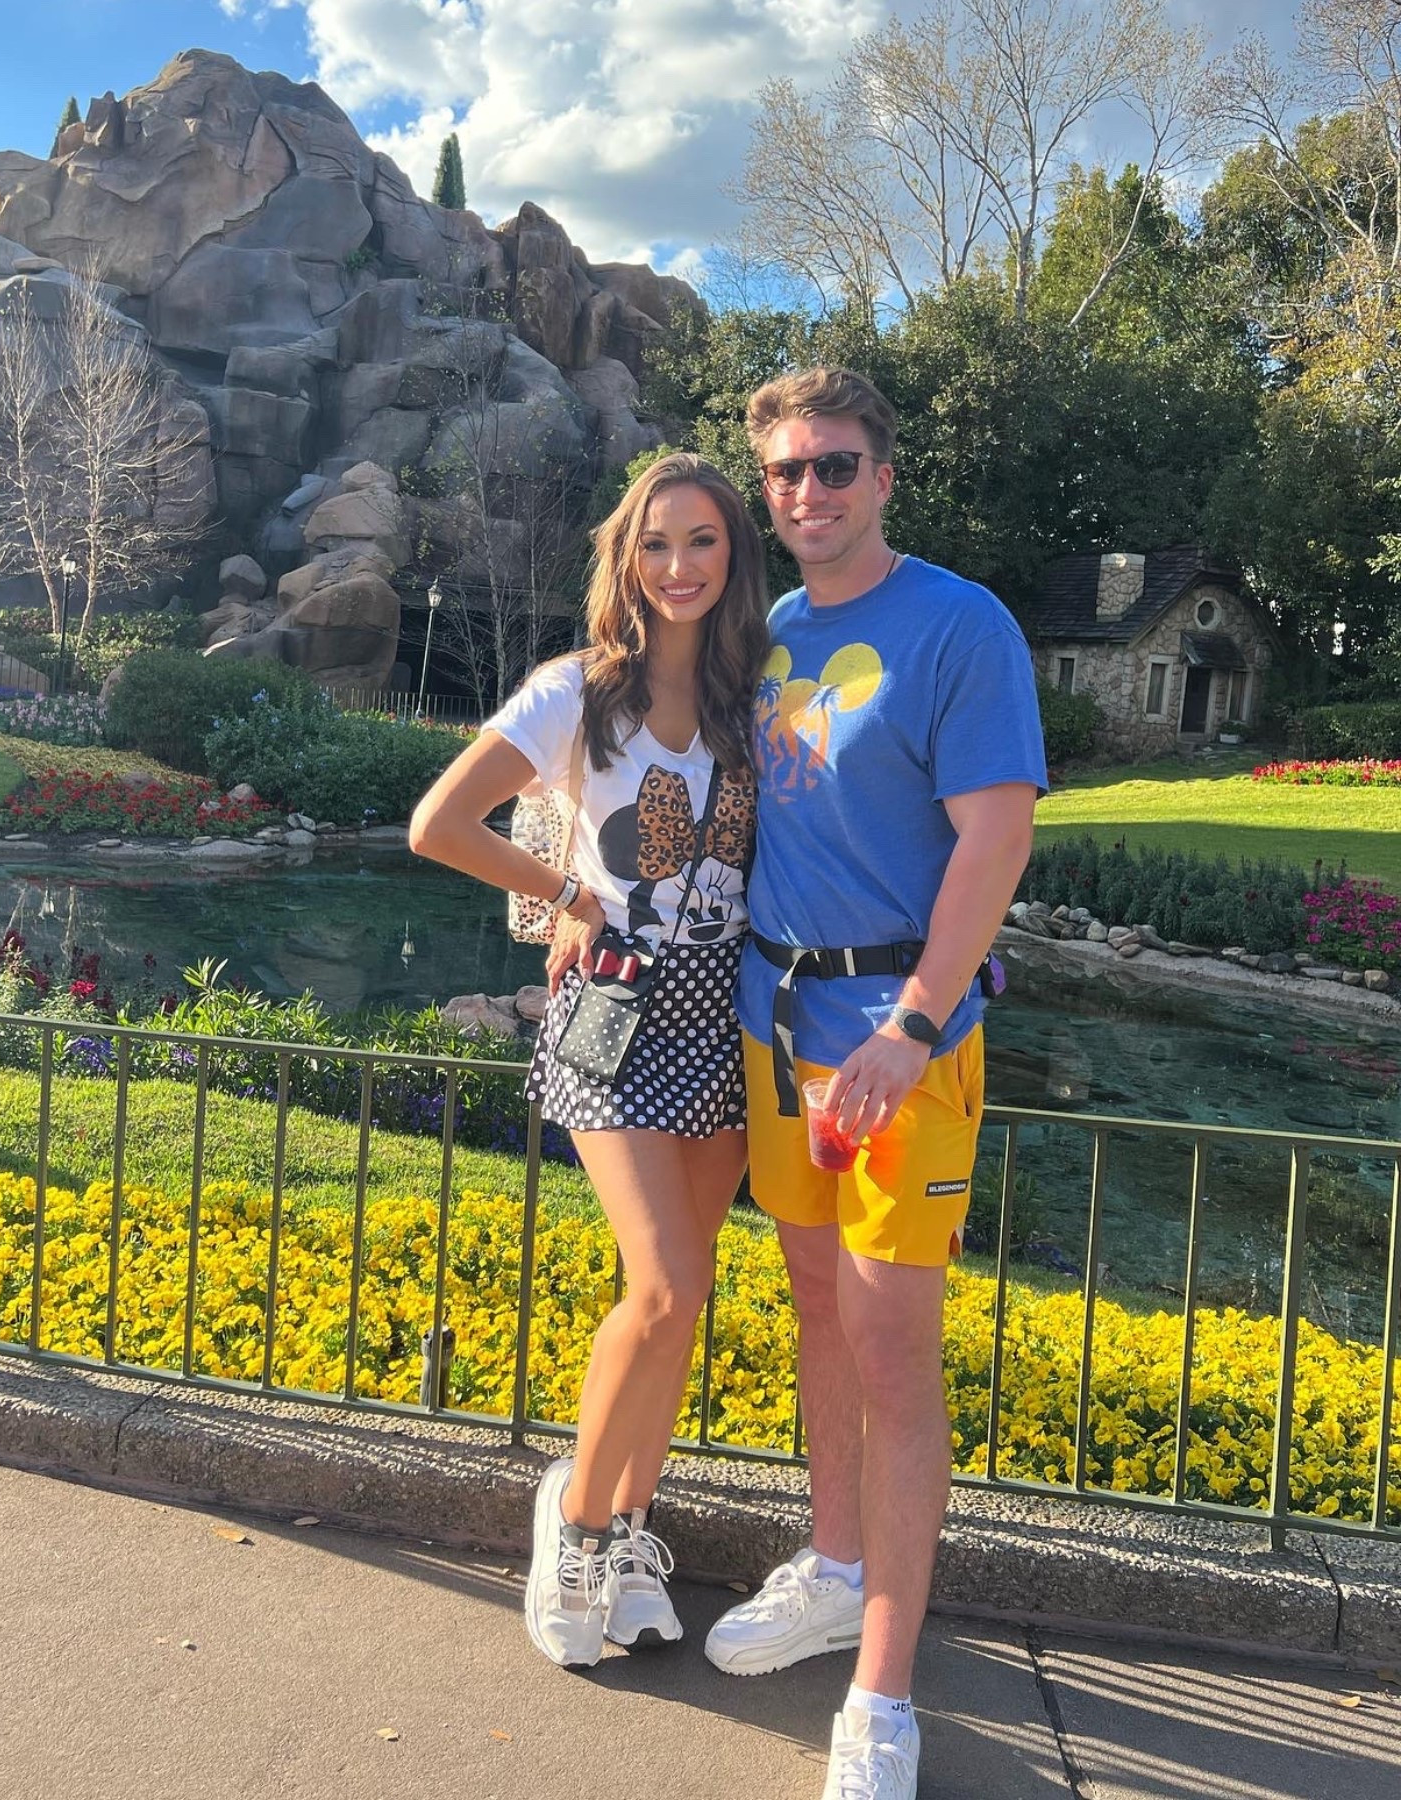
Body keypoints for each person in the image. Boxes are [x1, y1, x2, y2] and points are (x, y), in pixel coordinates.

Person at [703, 369, 1048, 1800]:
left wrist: (916, 1020)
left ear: (886, 475)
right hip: (771, 1018)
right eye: (784, 473)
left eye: (834, 467)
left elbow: (995, 841)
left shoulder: (962, 626)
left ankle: (883, 1693)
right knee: (816, 1314)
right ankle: (836, 1568)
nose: (807, 496)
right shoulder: (769, 630)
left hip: (896, 1037)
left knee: (896, 1352)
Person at [409, 452, 769, 1669]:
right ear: (626, 557)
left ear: (735, 556)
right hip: (614, 1015)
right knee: (660, 1285)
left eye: (705, 542)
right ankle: (569, 1527)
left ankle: (621, 1529)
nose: (680, 566)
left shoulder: (751, 698)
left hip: (722, 1016)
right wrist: (567, 889)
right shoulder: (575, 692)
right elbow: (438, 824)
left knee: (686, 1297)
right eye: (657, 543)